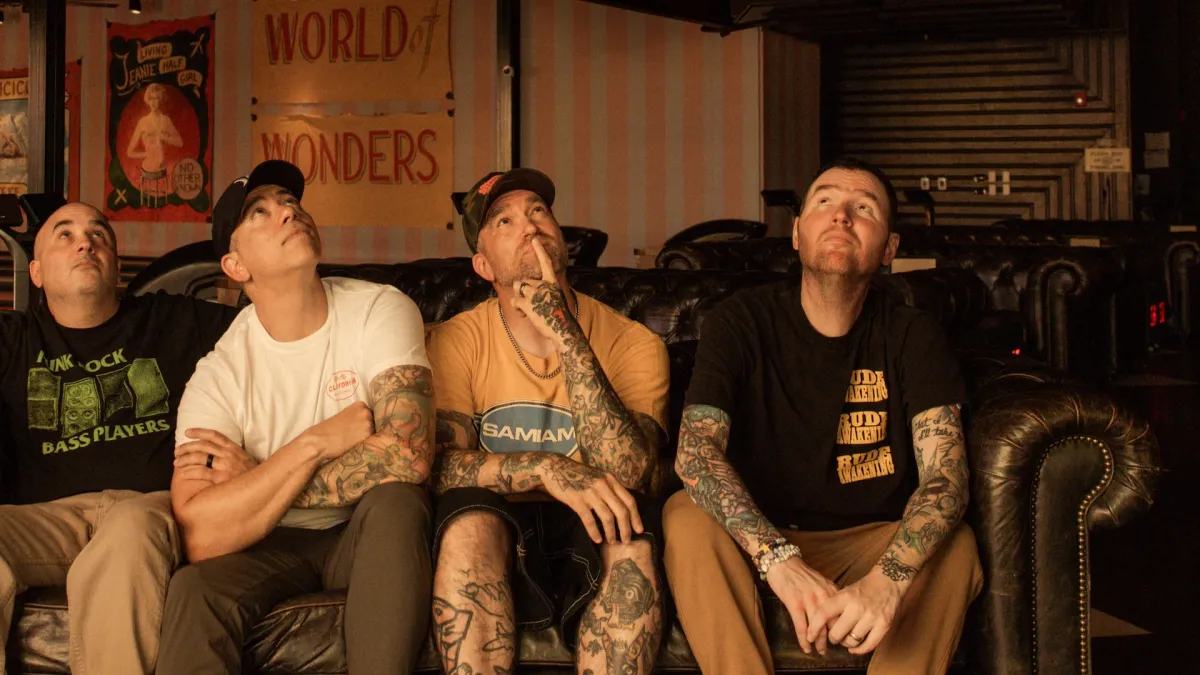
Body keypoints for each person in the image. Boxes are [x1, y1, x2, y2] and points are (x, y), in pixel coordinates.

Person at [663, 157, 983, 675]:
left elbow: (946, 478)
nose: (841, 216)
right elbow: (696, 454)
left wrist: (888, 580)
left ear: (889, 248)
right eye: (826, 201)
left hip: (871, 537)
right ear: (796, 233)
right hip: (758, 533)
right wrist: (778, 559)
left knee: (956, 545)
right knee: (686, 515)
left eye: (864, 208)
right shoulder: (739, 321)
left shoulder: (913, 334)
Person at [155, 160, 435, 674]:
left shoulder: (379, 308)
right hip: (268, 544)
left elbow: (408, 455)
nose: (287, 211)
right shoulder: (219, 373)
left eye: (289, 201)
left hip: (362, 529)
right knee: (194, 590)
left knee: (397, 500)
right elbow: (201, 532)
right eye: (259, 213)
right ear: (236, 266)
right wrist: (315, 444)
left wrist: (259, 477)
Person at [428, 168, 670, 674]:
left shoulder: (633, 342)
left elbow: (634, 475)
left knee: (631, 537)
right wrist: (546, 468)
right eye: (505, 221)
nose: (530, 225)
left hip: (596, 522)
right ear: (482, 264)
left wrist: (566, 333)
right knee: (468, 523)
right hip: (499, 522)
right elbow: (441, 468)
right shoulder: (456, 340)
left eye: (538, 211)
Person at [0, 201, 238, 674]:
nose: (85, 243)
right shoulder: (13, 339)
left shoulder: (173, 319)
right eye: (64, 235)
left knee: (129, 532)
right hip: (45, 520)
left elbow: (276, 335)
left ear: (115, 264)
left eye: (99, 235)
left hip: (147, 509)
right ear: (37, 271)